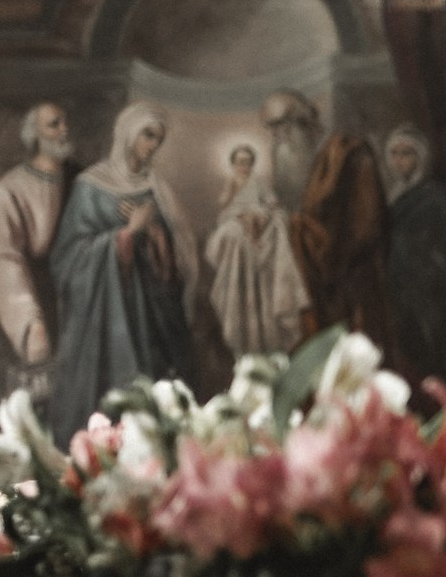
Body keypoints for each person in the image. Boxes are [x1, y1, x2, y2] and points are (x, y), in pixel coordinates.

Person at [48, 102, 196, 443]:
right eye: (148, 135)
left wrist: (155, 234)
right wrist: (125, 236)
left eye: (158, 139)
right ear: (128, 133)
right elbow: (68, 257)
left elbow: (174, 261)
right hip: (101, 318)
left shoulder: (156, 188)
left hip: (149, 316)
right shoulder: (90, 185)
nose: (152, 146)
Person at [261, 88, 389, 342]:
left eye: (280, 127)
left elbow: (365, 225)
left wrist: (303, 233)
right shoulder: (307, 162)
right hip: (317, 280)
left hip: (351, 283)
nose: (275, 137)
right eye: (271, 130)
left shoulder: (350, 153)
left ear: (302, 124)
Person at [0, 101, 75, 415]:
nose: (64, 130)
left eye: (64, 122)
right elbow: (2, 261)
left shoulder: (82, 182)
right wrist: (30, 322)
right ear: (34, 136)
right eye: (53, 124)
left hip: (78, 305)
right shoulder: (9, 191)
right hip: (37, 305)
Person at [380, 125, 446, 386]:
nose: (400, 161)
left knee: (432, 357)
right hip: (401, 292)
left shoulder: (436, 198)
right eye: (394, 154)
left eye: (407, 153)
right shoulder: (395, 195)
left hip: (431, 298)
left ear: (421, 157)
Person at [203, 141, 311, 358]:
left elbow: (272, 202)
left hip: (258, 215)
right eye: (240, 162)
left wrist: (265, 210)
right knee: (234, 233)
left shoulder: (258, 182)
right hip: (236, 216)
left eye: (248, 162)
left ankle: (270, 336)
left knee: (271, 223)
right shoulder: (232, 181)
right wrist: (233, 190)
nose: (244, 166)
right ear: (233, 164)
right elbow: (224, 204)